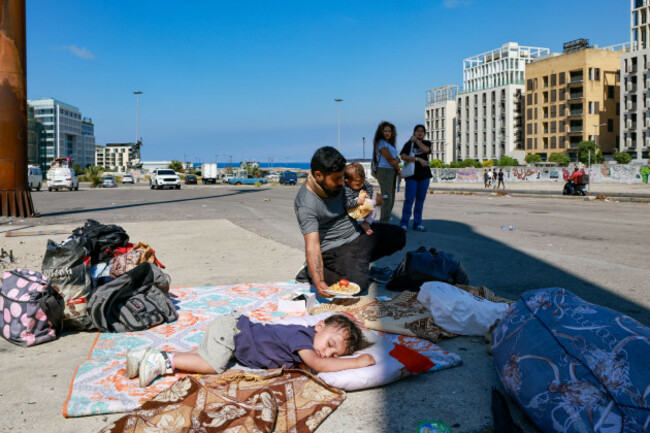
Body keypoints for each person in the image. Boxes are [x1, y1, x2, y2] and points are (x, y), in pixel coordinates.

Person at [126, 313, 374, 387]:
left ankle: (144, 356)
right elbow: (319, 365)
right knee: (213, 365)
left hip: (233, 335)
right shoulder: (302, 337)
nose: (327, 355)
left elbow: (309, 367)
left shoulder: (305, 348)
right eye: (330, 345)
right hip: (233, 331)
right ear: (319, 326)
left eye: (335, 355)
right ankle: (162, 361)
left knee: (204, 357)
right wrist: (356, 362)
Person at [294, 146, 406, 295]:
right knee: (357, 285)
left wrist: (371, 203)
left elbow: (361, 192)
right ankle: (310, 270)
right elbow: (313, 245)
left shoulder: (341, 184)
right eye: (336, 179)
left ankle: (358, 265)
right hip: (334, 249)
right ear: (319, 175)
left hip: (357, 235)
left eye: (342, 177)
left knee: (398, 236)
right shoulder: (306, 203)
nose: (341, 183)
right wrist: (319, 280)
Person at [399, 124, 432, 232]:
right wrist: (417, 159)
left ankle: (417, 223)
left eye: (422, 131)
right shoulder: (409, 144)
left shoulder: (427, 143)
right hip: (411, 176)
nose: (420, 133)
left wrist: (417, 141)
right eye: (418, 131)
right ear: (414, 132)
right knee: (409, 200)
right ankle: (404, 223)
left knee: (420, 200)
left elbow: (426, 150)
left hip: (424, 176)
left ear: (424, 133)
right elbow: (403, 156)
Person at [343, 162, 383, 236]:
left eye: (363, 182)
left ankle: (365, 224)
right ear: (347, 182)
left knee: (374, 212)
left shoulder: (362, 182)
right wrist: (357, 201)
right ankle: (376, 202)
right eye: (358, 184)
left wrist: (368, 194)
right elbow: (346, 204)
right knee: (368, 202)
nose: (361, 185)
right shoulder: (346, 189)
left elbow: (369, 187)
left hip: (363, 206)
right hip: (352, 209)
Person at [373, 121, 401, 223]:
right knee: (387, 197)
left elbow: (397, 159)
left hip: (391, 171)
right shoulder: (381, 142)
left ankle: (386, 220)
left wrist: (396, 162)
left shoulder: (390, 144)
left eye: (389, 131)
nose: (387, 133)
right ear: (381, 132)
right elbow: (389, 159)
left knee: (391, 197)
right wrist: (398, 169)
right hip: (384, 171)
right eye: (385, 131)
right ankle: (383, 223)